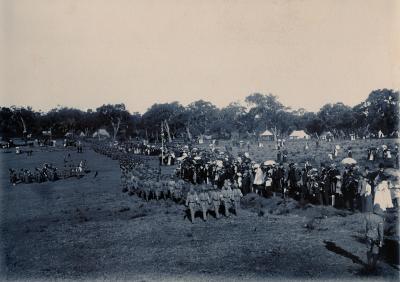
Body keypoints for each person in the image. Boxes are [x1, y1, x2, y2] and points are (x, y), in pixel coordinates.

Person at [365, 204, 385, 270]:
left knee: (368, 249)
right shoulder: (380, 219)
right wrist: (381, 240)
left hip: (368, 235)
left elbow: (365, 227)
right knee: (375, 251)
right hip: (375, 237)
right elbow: (381, 232)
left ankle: (369, 263)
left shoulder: (368, 216)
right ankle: (373, 265)